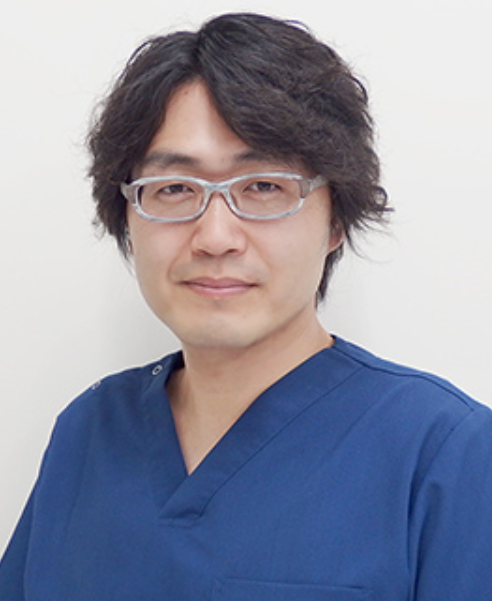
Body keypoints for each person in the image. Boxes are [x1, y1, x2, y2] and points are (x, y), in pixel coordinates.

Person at [1, 12, 491, 601]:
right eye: (174, 188)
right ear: (127, 217)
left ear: (336, 219)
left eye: (263, 187)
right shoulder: (88, 433)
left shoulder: (446, 455)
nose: (215, 237)